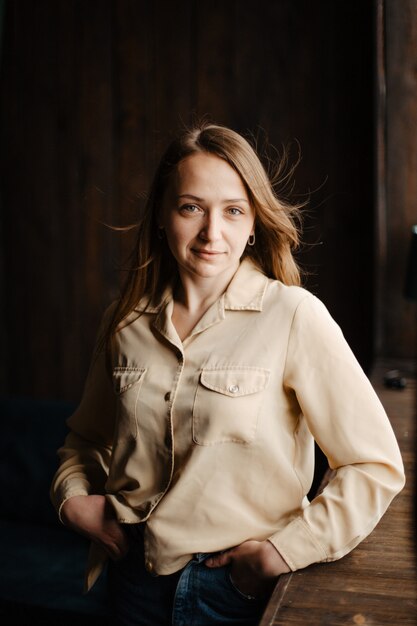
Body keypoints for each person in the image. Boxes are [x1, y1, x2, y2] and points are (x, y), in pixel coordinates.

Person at [51, 123, 405, 626]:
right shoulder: (124, 321)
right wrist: (72, 500)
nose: (211, 233)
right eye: (191, 207)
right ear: (161, 216)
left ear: (255, 223)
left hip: (235, 594)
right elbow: (86, 439)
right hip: (131, 579)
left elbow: (375, 466)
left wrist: (280, 555)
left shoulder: (293, 316)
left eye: (233, 210)